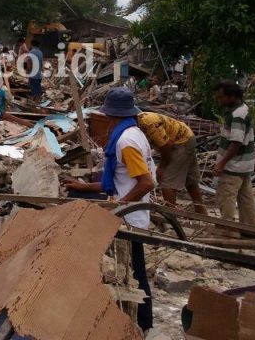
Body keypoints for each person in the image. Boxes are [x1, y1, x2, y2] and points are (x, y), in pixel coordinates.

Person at [63, 88, 155, 331]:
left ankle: (143, 323)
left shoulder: (125, 142)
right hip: (129, 211)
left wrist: (119, 207)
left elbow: (146, 182)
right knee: (132, 269)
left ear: (110, 115)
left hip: (130, 217)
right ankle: (138, 321)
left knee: (133, 272)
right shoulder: (132, 133)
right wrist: (84, 186)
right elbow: (119, 178)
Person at [137, 111, 207, 214]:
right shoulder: (140, 119)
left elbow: (167, 146)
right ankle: (201, 211)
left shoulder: (147, 123)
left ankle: (170, 217)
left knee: (166, 180)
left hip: (180, 142)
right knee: (189, 179)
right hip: (187, 136)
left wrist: (162, 167)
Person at [212, 80, 255, 230]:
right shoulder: (243, 109)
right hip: (245, 165)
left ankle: (228, 230)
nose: (219, 100)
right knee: (246, 199)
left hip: (234, 165)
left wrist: (221, 163)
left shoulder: (237, 115)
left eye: (221, 97)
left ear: (232, 96)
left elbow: (236, 142)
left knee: (226, 197)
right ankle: (251, 229)